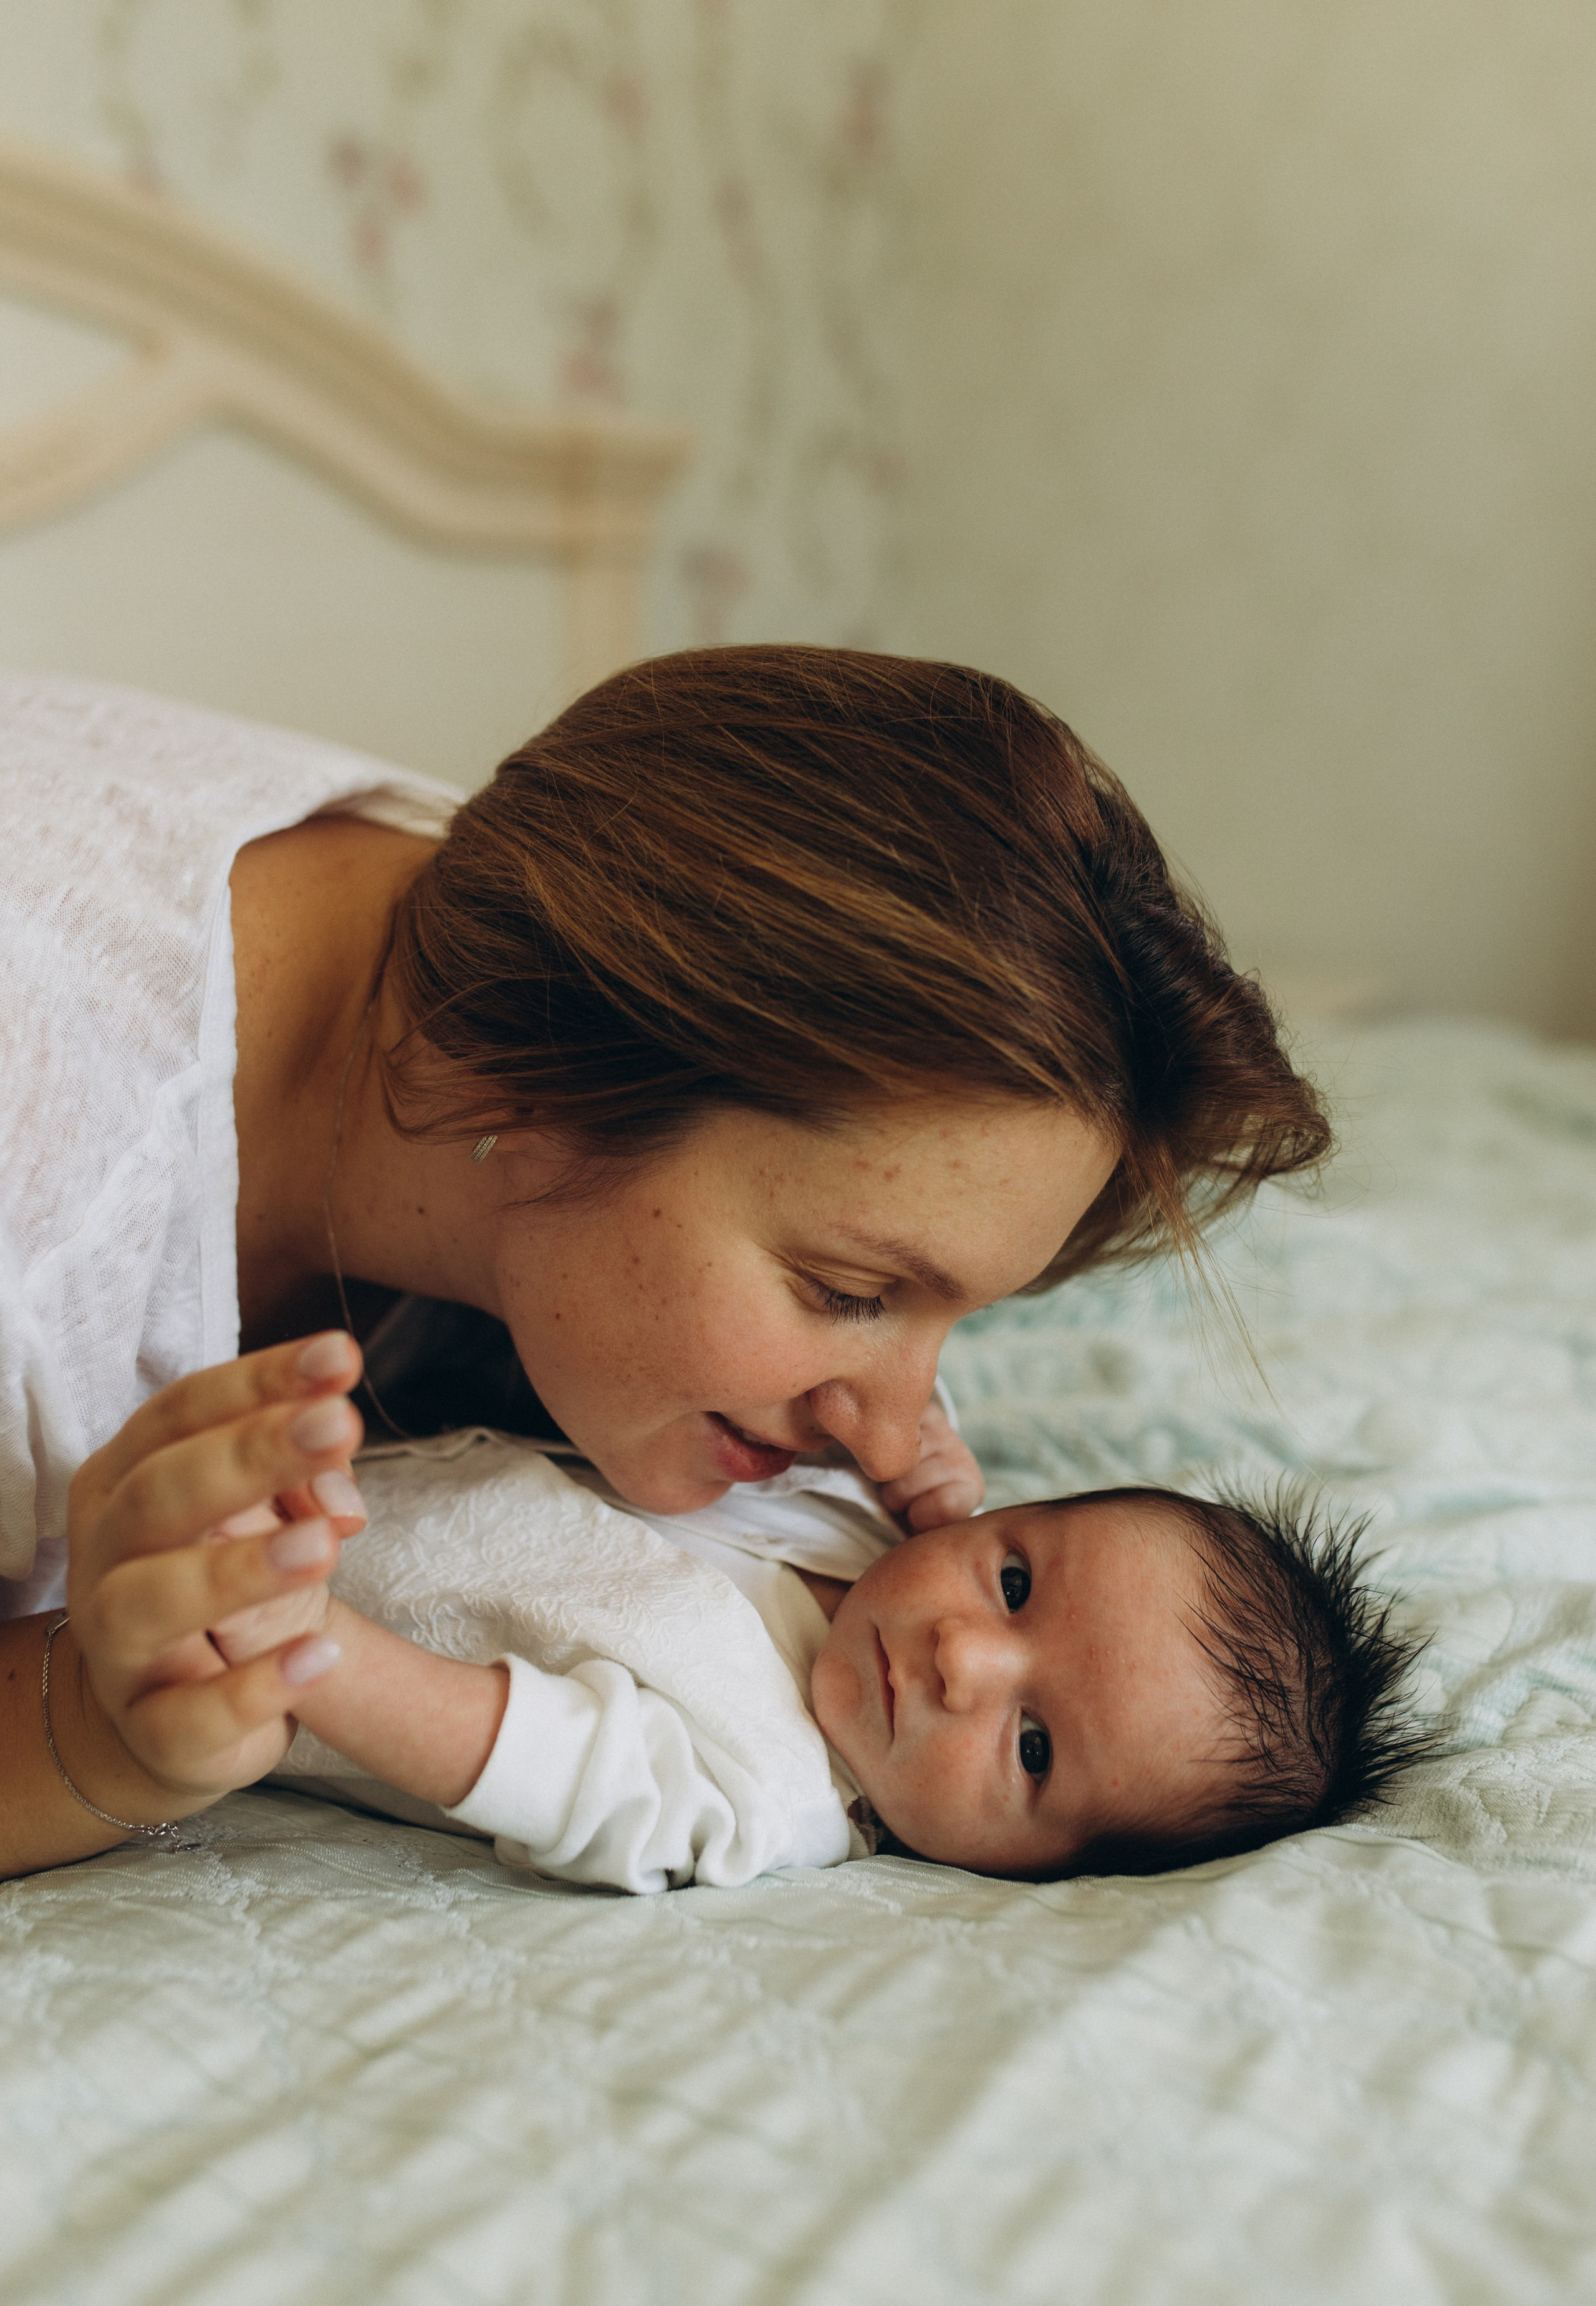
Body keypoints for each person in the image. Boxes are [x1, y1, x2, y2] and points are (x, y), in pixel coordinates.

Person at [0, 647, 1330, 1878]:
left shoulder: (553, 904)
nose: (884, 1433)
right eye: (848, 1290)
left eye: (948, 1319)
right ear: (540, 1066)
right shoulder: (38, 1220)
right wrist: (87, 1729)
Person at [234, 1429, 1425, 1893]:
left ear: (1035, 1868)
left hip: (234, 1618)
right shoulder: (857, 1520)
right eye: (1014, 1583)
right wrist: (905, 1444)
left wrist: (312, 1653)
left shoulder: (772, 1793)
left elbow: (551, 1766)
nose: (966, 1659)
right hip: (299, 1453)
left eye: (1034, 1745)